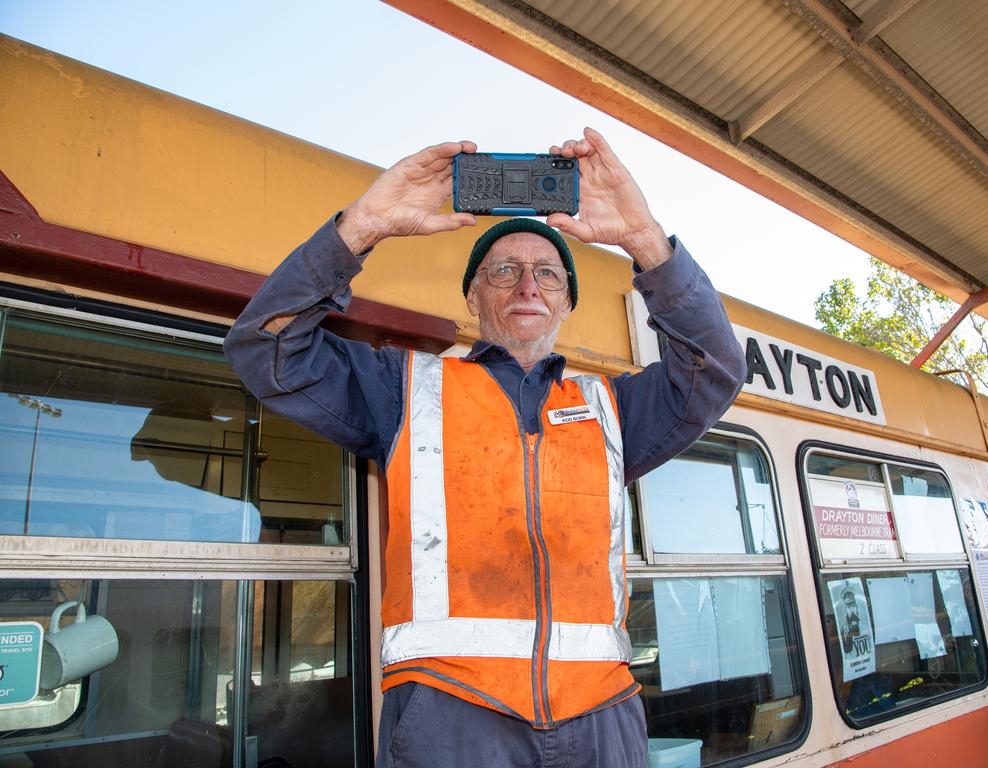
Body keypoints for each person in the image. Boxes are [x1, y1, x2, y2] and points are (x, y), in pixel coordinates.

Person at [224, 128, 745, 768]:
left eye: (547, 274)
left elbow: (716, 368)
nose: (528, 285)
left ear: (566, 303)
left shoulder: (616, 409)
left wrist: (644, 240)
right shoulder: (402, 389)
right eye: (504, 270)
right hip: (452, 718)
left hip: (602, 719)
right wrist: (361, 227)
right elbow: (267, 350)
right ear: (473, 297)